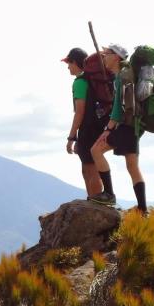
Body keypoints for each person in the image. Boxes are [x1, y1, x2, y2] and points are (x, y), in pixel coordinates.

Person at [89, 44, 148, 214]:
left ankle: (108, 194)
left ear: (116, 57)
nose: (104, 57)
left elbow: (117, 110)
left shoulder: (120, 78)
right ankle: (143, 208)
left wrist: (107, 130)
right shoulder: (129, 75)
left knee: (95, 150)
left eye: (106, 54)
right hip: (135, 127)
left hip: (124, 127)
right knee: (132, 166)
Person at [62, 47, 105, 198]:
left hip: (88, 129)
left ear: (76, 62)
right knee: (88, 168)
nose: (68, 67)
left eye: (69, 63)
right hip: (97, 127)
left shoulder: (80, 83)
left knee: (90, 169)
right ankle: (94, 200)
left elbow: (79, 112)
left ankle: (96, 202)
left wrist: (71, 137)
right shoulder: (90, 81)